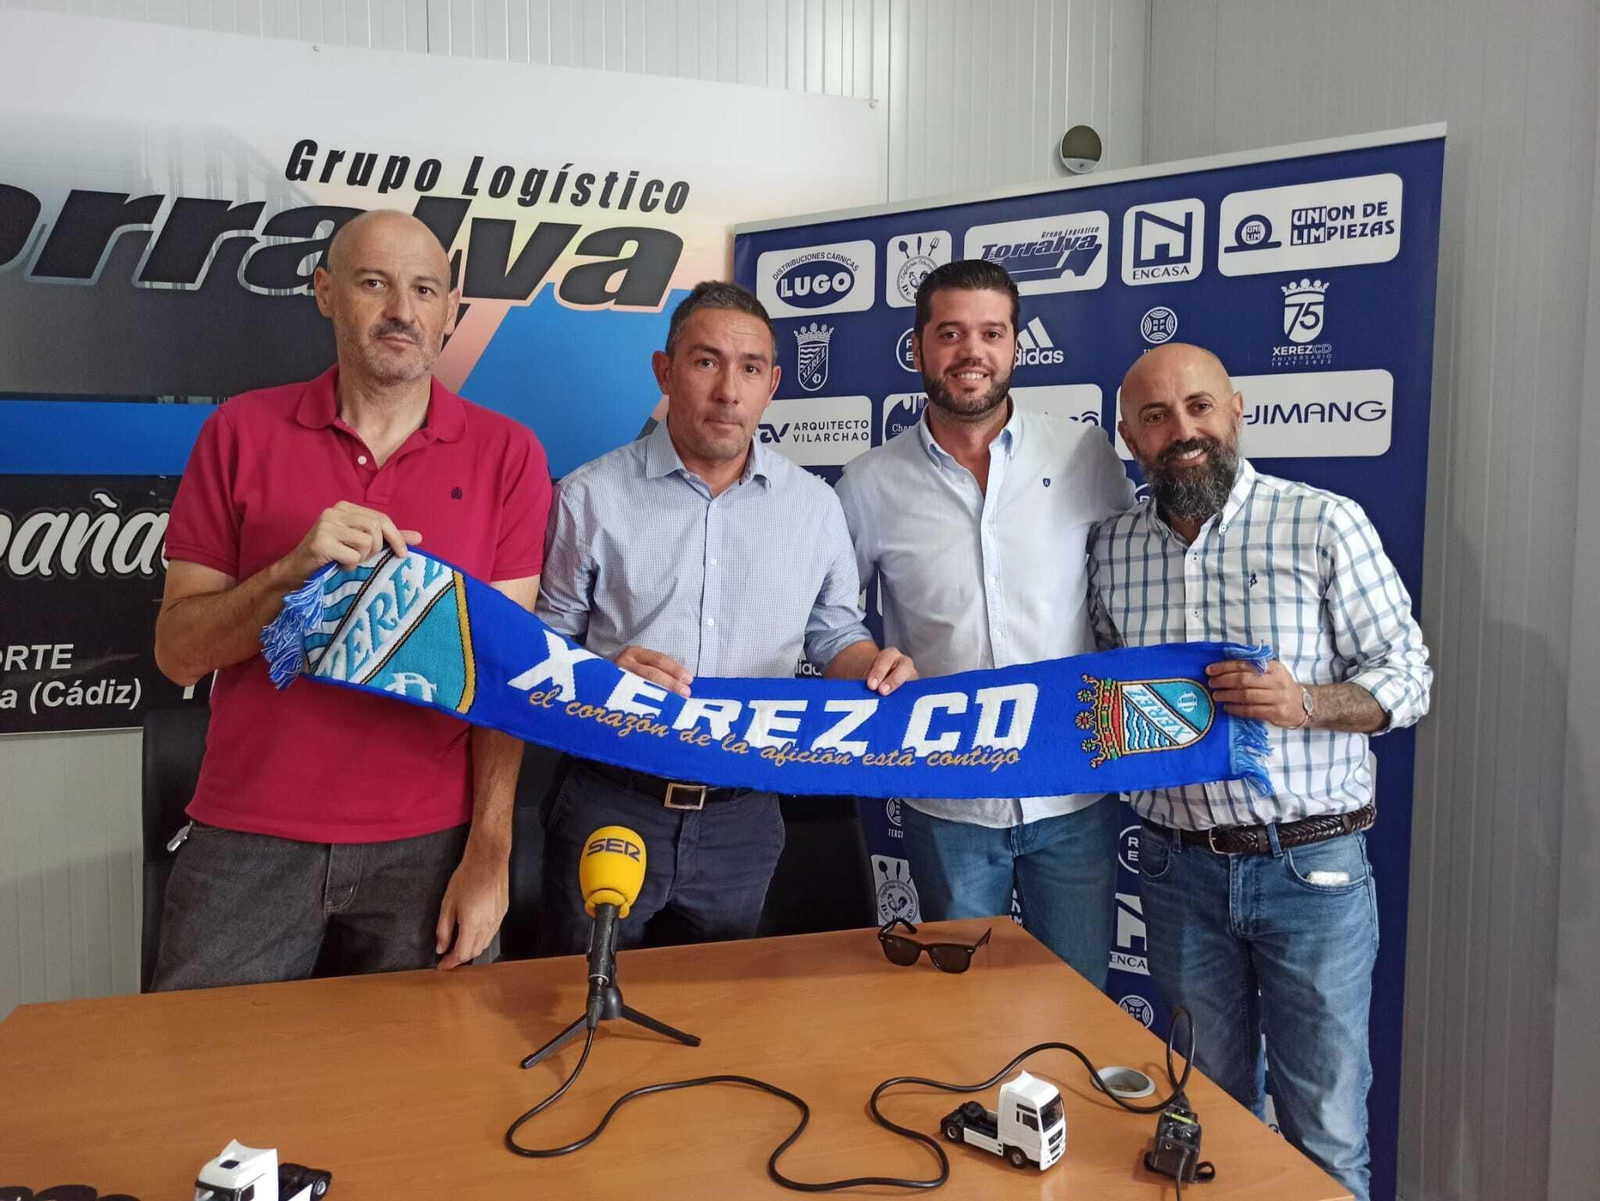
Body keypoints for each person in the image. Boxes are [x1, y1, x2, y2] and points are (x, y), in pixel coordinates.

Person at [152, 209, 550, 989]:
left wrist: (490, 849)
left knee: (426, 1096)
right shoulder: (239, 431)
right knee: (206, 1091)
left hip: (430, 845)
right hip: (246, 835)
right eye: (375, 283)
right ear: (326, 293)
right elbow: (176, 653)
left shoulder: (509, 454)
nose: (402, 309)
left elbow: (506, 676)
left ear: (451, 311)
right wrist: (285, 573)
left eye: (424, 289)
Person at [1088, 341, 1433, 1201]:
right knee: (1207, 1110)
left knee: (1324, 1123)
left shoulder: (1322, 522)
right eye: (1157, 417)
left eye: (1200, 407)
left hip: (1308, 869)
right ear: (1128, 435)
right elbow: (1097, 689)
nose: (1184, 431)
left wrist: (1305, 703)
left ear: (1237, 409)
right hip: (1174, 868)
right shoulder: (1109, 545)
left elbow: (1410, 678)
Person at [534, 281, 915, 954]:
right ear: (665, 370)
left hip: (744, 812)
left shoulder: (813, 507)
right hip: (610, 800)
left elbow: (835, 636)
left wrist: (873, 666)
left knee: (721, 1019)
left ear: (772, 383)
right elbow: (543, 650)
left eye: (749, 369)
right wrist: (603, 675)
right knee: (572, 1003)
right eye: (706, 362)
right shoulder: (588, 496)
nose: (728, 392)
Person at [835, 260, 1135, 989]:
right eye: (950, 333)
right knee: (959, 1010)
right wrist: (869, 656)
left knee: (1079, 1002)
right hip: (949, 799)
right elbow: (834, 618)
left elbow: (1132, 581)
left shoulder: (1082, 455)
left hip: (1074, 790)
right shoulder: (869, 482)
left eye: (991, 332)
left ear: (1014, 346)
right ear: (918, 348)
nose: (971, 351)